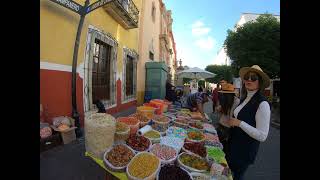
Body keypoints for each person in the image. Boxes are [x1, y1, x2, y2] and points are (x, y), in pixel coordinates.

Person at [224, 65, 271, 180]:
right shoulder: (244, 98)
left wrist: (240, 123)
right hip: (233, 146)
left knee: (238, 177)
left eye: (253, 77)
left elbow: (262, 135)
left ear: (259, 82)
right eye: (247, 77)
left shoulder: (263, 104)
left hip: (244, 151)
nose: (249, 80)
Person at [215, 83, 240, 155]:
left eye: (224, 94)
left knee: (224, 147)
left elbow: (231, 116)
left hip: (228, 128)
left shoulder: (237, 101)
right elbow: (219, 110)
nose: (222, 95)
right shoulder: (225, 100)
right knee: (218, 145)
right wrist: (219, 107)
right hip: (222, 125)